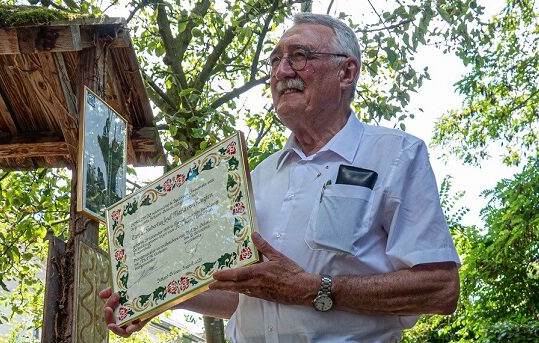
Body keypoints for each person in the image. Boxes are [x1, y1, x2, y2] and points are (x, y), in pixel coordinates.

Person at [100, 12, 460, 342]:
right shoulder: (253, 178)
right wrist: (158, 298)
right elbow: (247, 298)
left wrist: (313, 288)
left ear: (347, 73)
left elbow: (441, 289)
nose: (281, 71)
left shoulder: (395, 154)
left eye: (299, 56)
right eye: (275, 60)